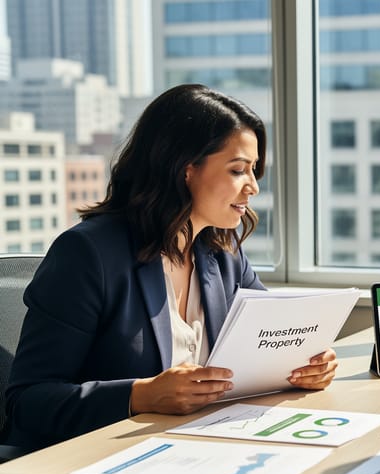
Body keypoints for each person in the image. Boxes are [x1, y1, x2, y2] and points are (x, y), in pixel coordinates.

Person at [3, 84, 339, 452]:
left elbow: (269, 345)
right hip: (104, 464)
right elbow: (27, 403)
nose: (253, 187)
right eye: (238, 170)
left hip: (203, 448)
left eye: (254, 170)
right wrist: (140, 395)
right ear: (185, 169)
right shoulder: (87, 253)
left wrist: (303, 366)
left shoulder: (224, 253)